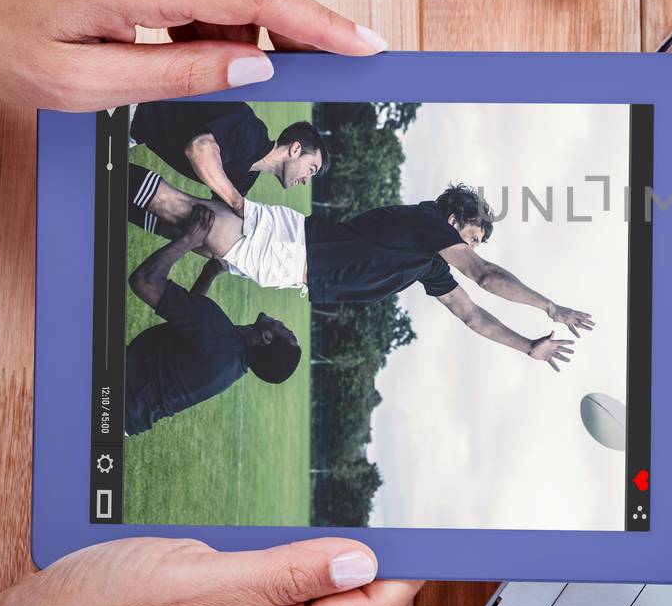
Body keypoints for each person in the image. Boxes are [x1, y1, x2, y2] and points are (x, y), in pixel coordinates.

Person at [0, 0, 415, 606]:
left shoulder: (232, 301)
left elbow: (209, 232)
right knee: (185, 215)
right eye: (312, 161)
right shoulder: (249, 140)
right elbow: (209, 156)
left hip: (149, 234)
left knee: (187, 220)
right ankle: (130, 197)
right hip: (123, 128)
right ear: (293, 144)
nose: (310, 172)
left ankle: (133, 199)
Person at [128, 165, 595, 372]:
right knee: (174, 204)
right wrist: (551, 307)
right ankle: (98, 163)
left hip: (286, 263)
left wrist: (527, 345)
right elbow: (486, 277)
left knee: (171, 220)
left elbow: (472, 315)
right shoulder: (427, 224)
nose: (468, 249)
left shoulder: (425, 264)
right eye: (470, 238)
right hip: (284, 245)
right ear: (455, 221)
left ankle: (95, 189)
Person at [125, 206, 301, 435]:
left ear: (266, 338)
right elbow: (193, 326)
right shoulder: (234, 364)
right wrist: (211, 271)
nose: (281, 323)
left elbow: (144, 281)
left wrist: (188, 239)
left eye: (285, 330)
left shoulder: (219, 334)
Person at [130, 99, 328, 214]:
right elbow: (199, 149)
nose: (305, 181)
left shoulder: (246, 177)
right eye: (311, 169)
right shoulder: (251, 133)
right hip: (132, 105)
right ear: (295, 149)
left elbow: (216, 213)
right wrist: (236, 202)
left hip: (135, 132)